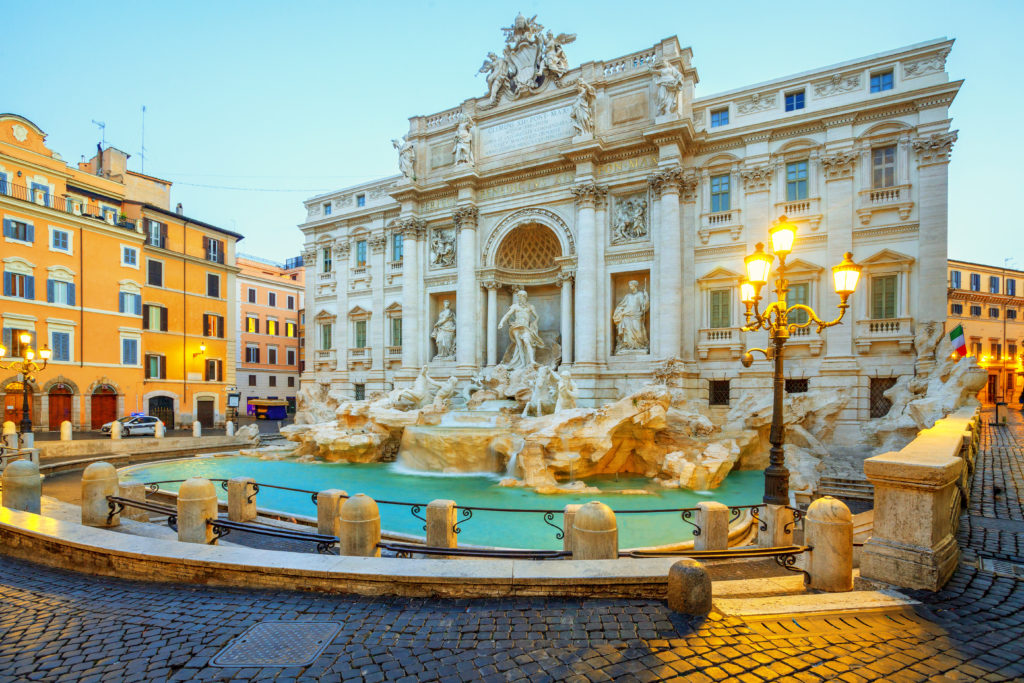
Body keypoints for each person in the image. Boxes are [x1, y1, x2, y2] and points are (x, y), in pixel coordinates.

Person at [498, 290, 545, 369]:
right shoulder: (515, 306)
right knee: (519, 345)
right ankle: (523, 363)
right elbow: (507, 315)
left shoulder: (530, 306)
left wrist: (534, 323)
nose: (520, 298)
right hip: (516, 327)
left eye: (522, 296)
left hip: (525, 327)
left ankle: (532, 360)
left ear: (525, 297)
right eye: (519, 296)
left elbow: (537, 316)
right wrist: (501, 322)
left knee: (527, 341)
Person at [612, 280, 650, 352]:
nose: (630, 287)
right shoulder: (628, 296)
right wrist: (620, 311)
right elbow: (621, 305)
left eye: (631, 286)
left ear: (635, 286)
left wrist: (646, 296)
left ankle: (639, 345)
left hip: (637, 315)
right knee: (628, 332)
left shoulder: (640, 294)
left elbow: (644, 306)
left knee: (638, 331)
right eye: (629, 286)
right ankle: (629, 346)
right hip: (627, 315)